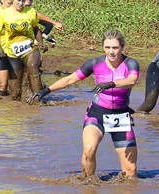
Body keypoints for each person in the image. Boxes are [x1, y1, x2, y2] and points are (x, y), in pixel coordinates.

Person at [30, 30, 139, 178]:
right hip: (97, 113)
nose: (111, 52)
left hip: (120, 116)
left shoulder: (130, 63)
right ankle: (88, 185)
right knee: (89, 149)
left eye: (115, 48)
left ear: (122, 47)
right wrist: (46, 90)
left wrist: (112, 84)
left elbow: (132, 80)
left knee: (131, 171)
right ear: (103, 47)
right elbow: (70, 79)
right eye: (107, 47)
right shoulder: (94, 63)